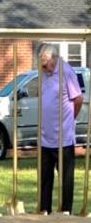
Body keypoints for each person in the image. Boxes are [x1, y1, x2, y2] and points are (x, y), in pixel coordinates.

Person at [38, 43, 83, 214]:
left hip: (63, 137)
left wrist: (69, 119)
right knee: (45, 179)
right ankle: (44, 211)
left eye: (44, 63)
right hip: (45, 137)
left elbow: (78, 99)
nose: (42, 67)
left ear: (53, 58)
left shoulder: (66, 72)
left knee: (65, 178)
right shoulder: (43, 74)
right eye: (40, 64)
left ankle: (65, 212)